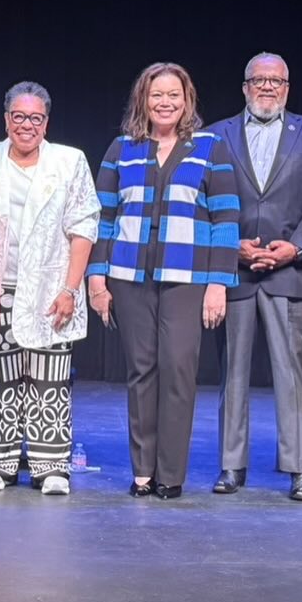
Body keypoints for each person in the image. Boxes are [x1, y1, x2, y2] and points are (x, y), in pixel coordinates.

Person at [87, 62, 238, 499]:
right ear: (143, 100)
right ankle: (142, 472)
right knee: (141, 371)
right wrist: (98, 281)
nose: (165, 102)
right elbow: (104, 219)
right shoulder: (121, 150)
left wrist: (217, 284)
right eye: (157, 95)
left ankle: (170, 474)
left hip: (187, 278)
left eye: (174, 95)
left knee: (177, 370)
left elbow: (226, 219)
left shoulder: (209, 148)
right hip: (129, 276)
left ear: (187, 100)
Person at [207, 52, 302, 500]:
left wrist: (294, 248)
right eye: (258, 80)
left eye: (275, 81)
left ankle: (301, 469)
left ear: (287, 88)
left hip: (289, 273)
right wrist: (230, 245)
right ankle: (231, 465)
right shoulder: (215, 135)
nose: (266, 87)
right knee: (232, 375)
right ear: (244, 87)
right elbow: (205, 200)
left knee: (292, 375)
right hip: (234, 272)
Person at [0, 82, 100, 495]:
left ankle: (50, 466)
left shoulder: (69, 161)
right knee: (1, 376)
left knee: (50, 379)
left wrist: (70, 288)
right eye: (19, 117)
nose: (27, 125)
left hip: (51, 288)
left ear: (47, 121)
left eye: (36, 118)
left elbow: (83, 227)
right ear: (6, 118)